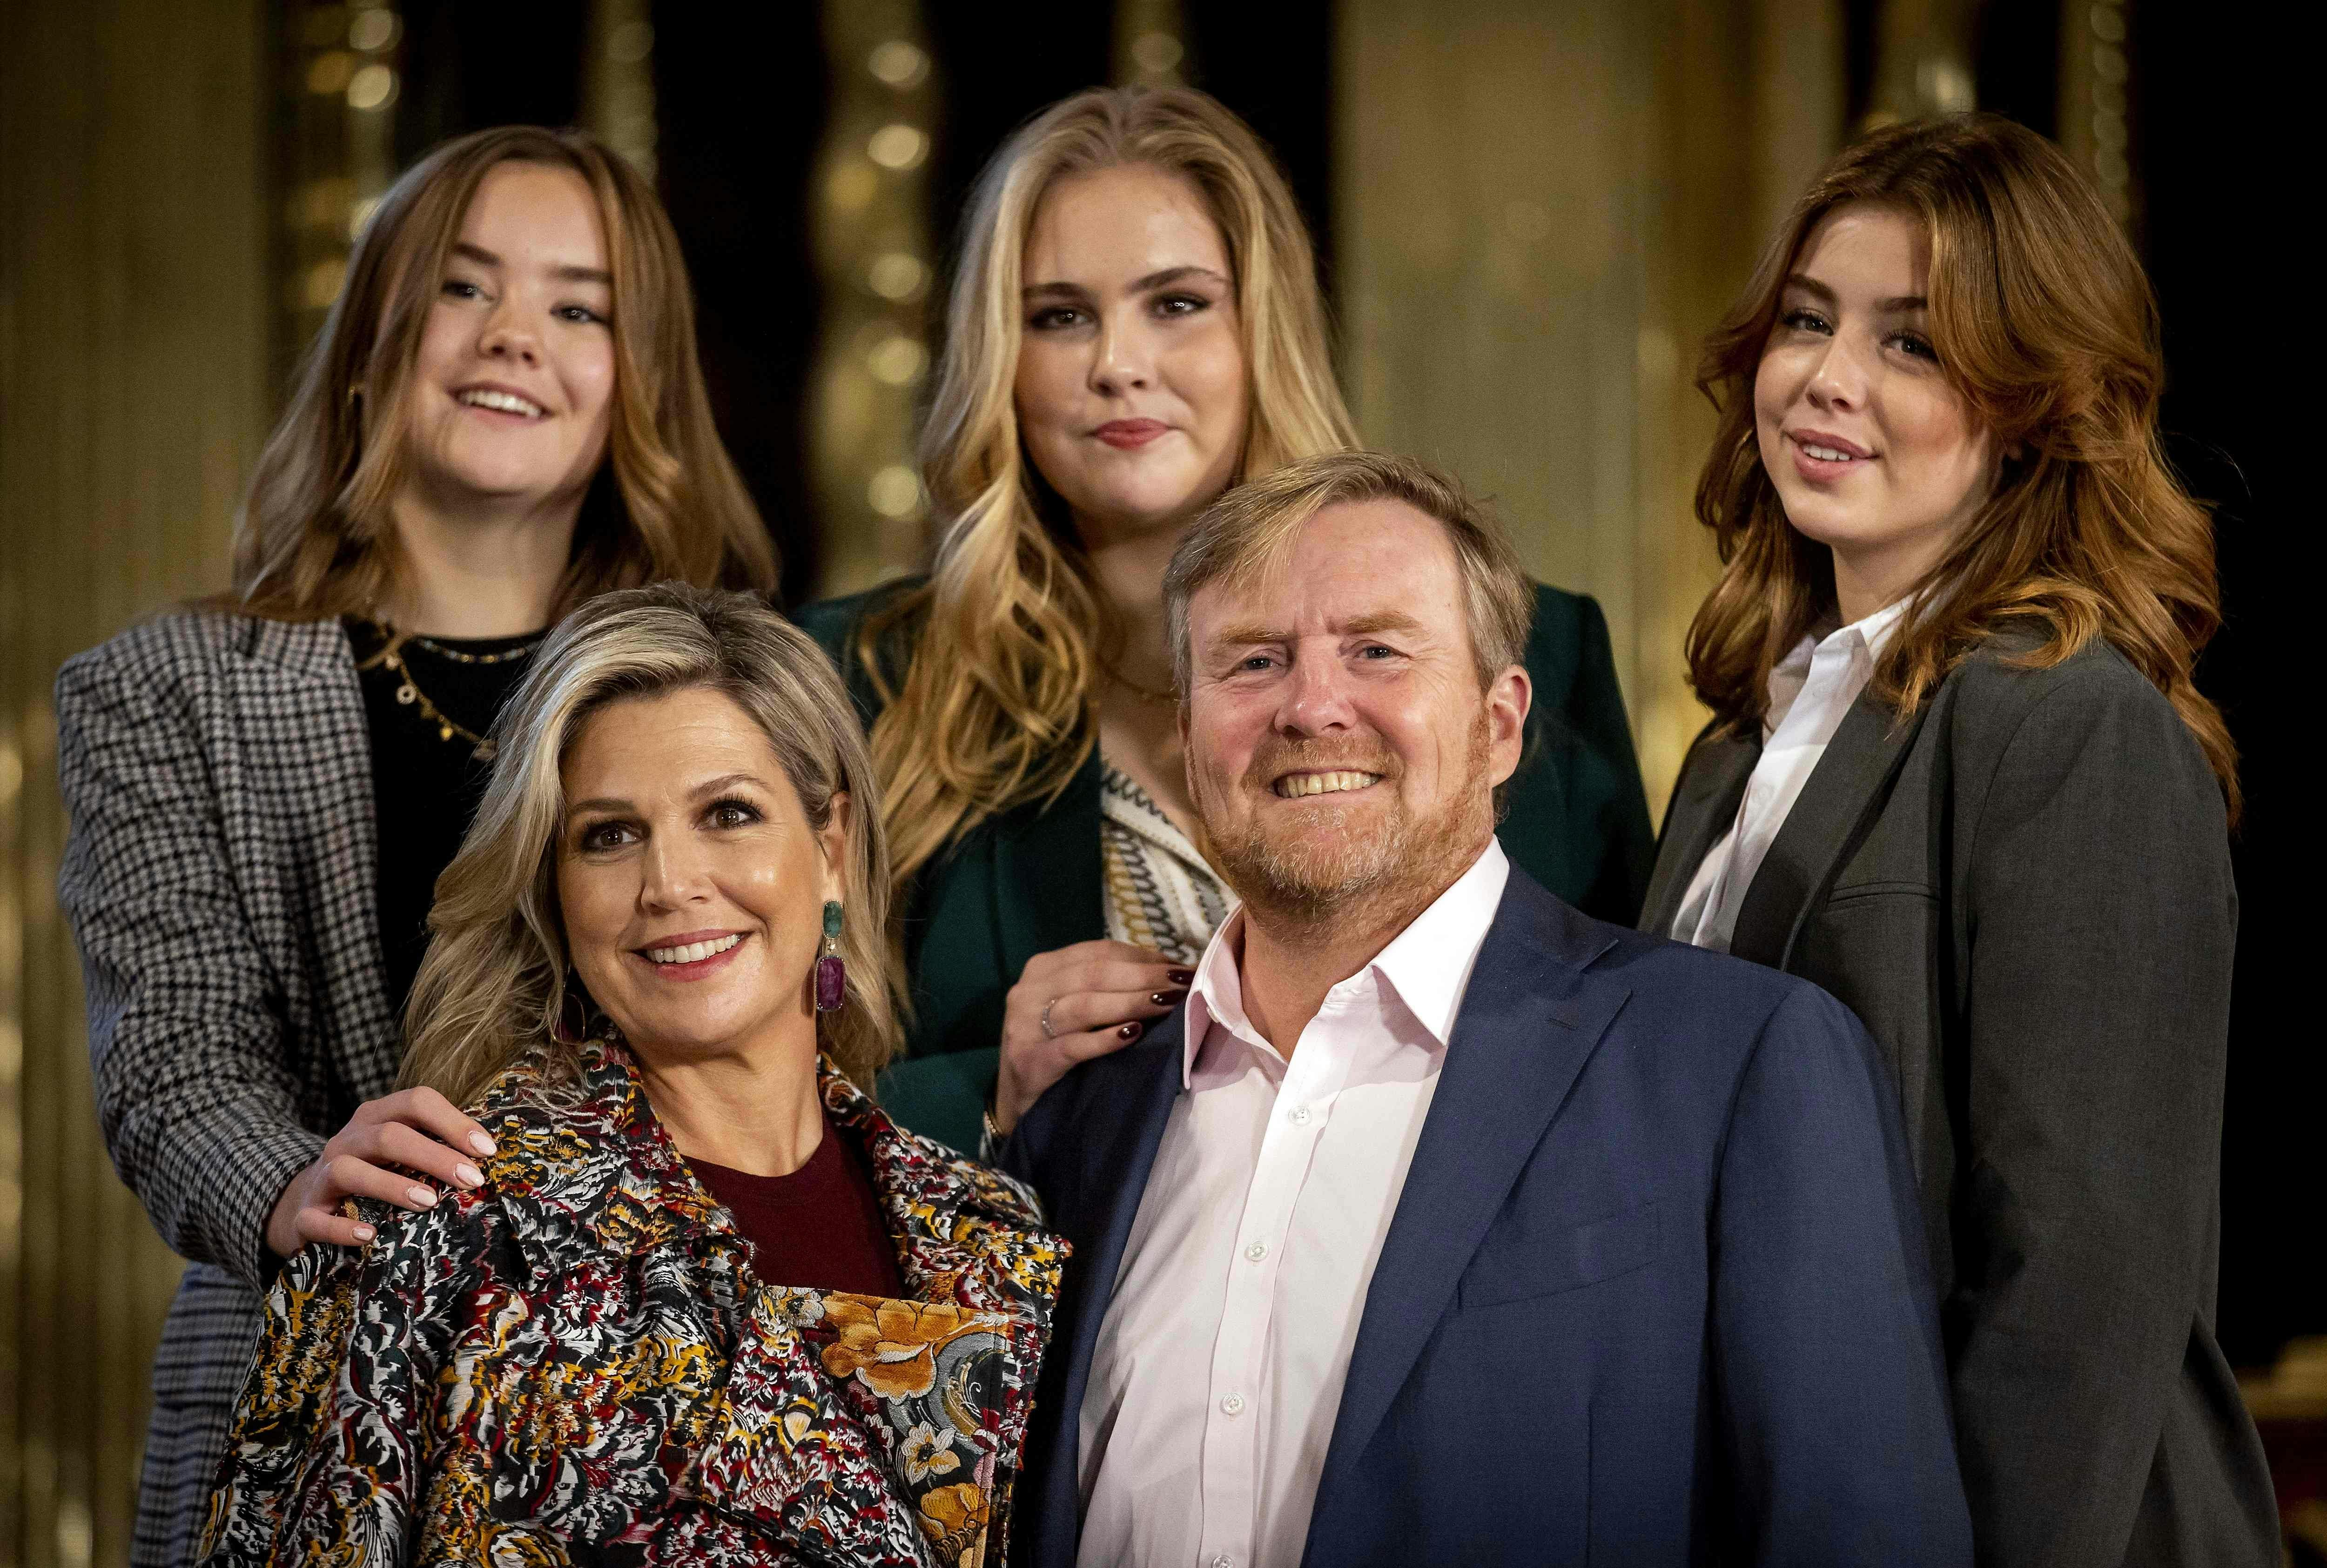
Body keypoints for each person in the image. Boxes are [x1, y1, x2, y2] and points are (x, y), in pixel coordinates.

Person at [1004, 450, 1971, 1567]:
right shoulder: (1082, 1115)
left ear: (1499, 723)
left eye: (1376, 649)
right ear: (1186, 736)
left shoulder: (1736, 1064)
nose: (1310, 706)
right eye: (1254, 660)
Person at [55, 126, 776, 1568]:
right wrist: (293, 1180)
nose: (515, 335)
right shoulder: (162, 692)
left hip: (673, 1417)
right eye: (464, 285)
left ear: (638, 381)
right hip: (307, 1401)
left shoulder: (736, 686)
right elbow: (173, 1063)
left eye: (580, 307)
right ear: (374, 340)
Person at [1637, 115, 2277, 1565]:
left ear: (2035, 406)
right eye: (1808, 320)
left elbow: (2079, 1287)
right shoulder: (1743, 740)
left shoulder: (2075, 726)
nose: (1828, 376)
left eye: (1912, 344)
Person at [796, 86, 1653, 1156]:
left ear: (1264, 328)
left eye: (1176, 303)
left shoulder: (1536, 650)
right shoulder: (854, 677)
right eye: (1059, 316)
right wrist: (981, 1099)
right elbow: (742, 1094)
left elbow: (1632, 1050)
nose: (1117, 363)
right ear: (997, 358)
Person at [199, 584, 1063, 1567]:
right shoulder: (438, 1227)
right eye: (608, 834)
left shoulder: (994, 1225)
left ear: (831, 849)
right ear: (552, 885)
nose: (669, 884)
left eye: (728, 813)